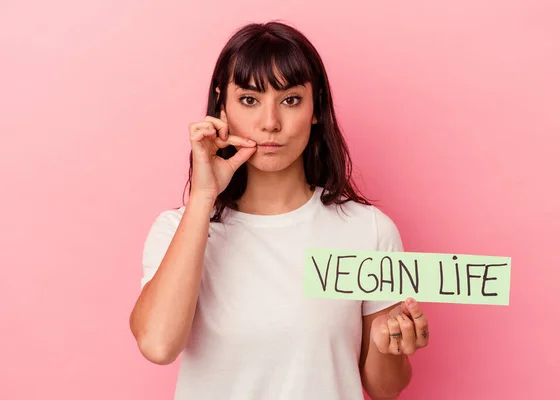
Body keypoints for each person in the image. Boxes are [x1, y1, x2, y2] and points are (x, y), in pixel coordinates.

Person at [129, 20, 429, 400]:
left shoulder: (368, 230)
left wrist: (393, 347)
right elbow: (157, 345)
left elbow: (384, 389)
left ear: (315, 107)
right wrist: (203, 198)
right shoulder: (177, 229)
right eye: (249, 100)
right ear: (223, 105)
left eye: (290, 100)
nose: (270, 123)